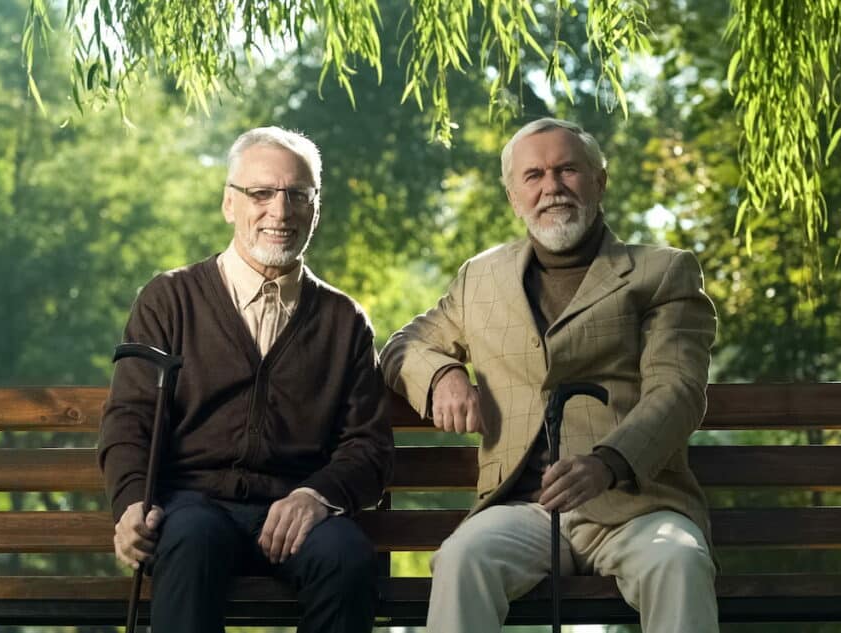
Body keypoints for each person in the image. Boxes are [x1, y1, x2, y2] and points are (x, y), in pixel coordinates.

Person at [380, 118, 719, 633]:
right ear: (514, 196)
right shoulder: (482, 277)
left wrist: (609, 462)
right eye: (533, 176)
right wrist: (443, 374)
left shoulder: (662, 272)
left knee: (679, 560)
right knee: (461, 559)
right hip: (521, 509)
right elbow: (404, 346)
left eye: (568, 170)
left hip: (637, 508)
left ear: (600, 180)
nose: (552, 187)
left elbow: (678, 390)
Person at [99, 126, 394, 633]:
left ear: (314, 208)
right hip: (192, 508)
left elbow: (368, 446)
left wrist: (315, 496)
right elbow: (130, 420)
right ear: (229, 205)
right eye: (260, 193)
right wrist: (130, 505)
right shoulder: (169, 300)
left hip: (296, 511)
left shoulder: (344, 321)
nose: (279, 212)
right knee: (189, 539)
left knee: (348, 557)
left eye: (297, 195)